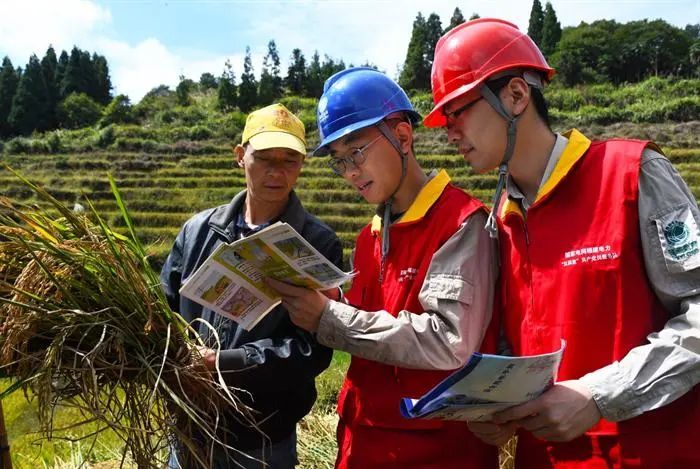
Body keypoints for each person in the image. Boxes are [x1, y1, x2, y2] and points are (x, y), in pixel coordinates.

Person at [425, 17, 700, 468]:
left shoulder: (631, 174)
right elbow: (513, 348)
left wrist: (598, 396)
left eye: (459, 111)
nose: (448, 132)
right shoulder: (500, 223)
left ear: (516, 95)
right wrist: (492, 410)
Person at [266, 67, 499, 468]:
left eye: (356, 152)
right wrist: (334, 300)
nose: (351, 173)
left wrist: (330, 316)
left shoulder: (460, 223)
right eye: (339, 162)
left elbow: (449, 342)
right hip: (363, 444)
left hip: (431, 454)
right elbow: (375, 318)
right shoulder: (369, 236)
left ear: (403, 137)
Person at [160, 103, 342, 468]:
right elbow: (163, 310)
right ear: (240, 156)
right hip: (189, 427)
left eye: (289, 160)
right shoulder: (198, 231)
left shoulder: (317, 243)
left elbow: (313, 350)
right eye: (264, 158)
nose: (276, 171)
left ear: (302, 165)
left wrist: (223, 363)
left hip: (261, 440)